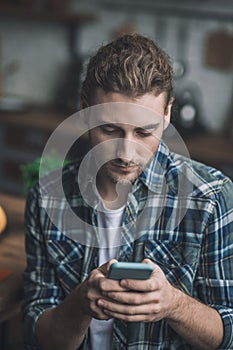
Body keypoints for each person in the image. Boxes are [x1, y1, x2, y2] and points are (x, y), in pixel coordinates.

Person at [23, 33, 233, 350]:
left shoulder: (211, 198)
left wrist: (173, 304)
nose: (126, 152)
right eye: (110, 129)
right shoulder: (46, 197)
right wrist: (79, 305)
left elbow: (228, 334)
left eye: (144, 132)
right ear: (85, 108)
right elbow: (41, 338)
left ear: (167, 114)